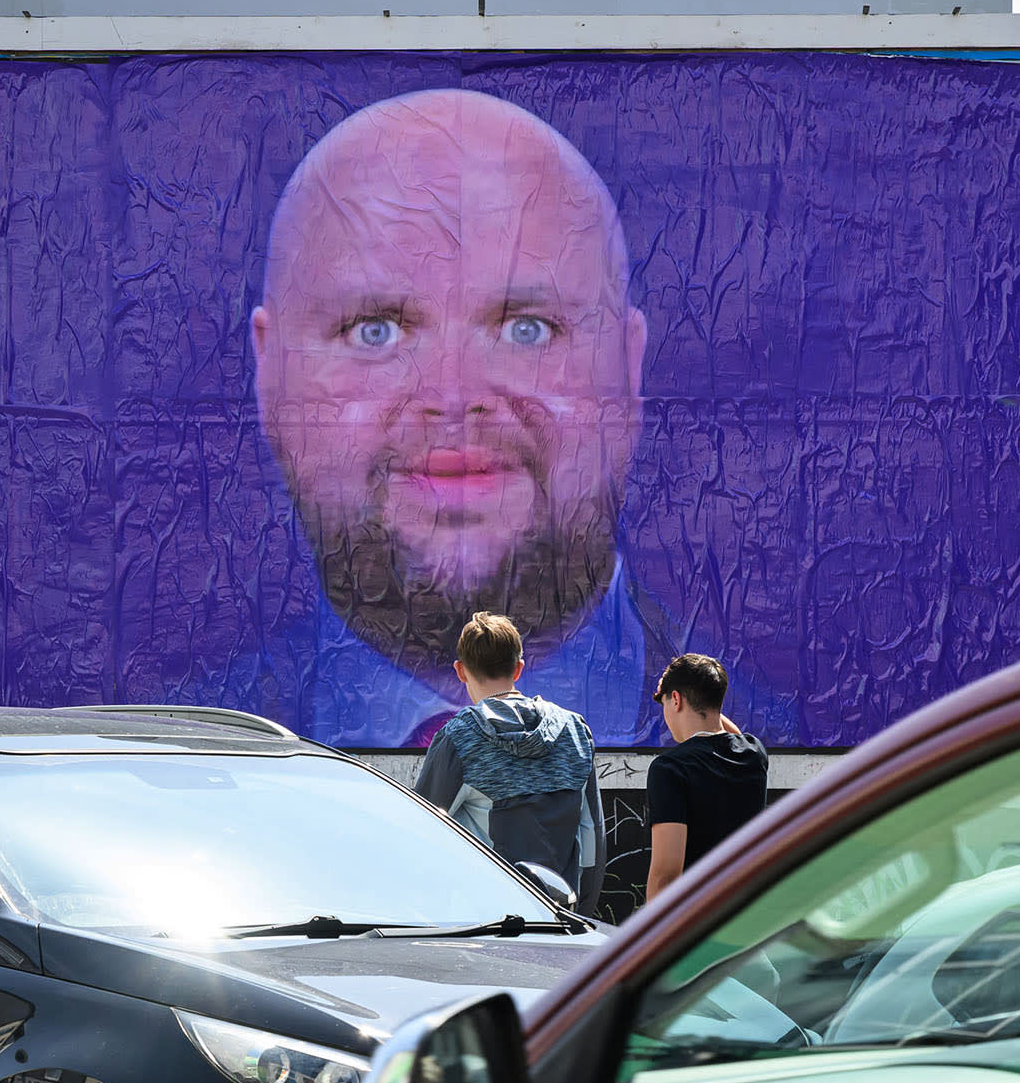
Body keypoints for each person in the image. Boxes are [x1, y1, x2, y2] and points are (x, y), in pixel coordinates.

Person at [249, 86, 790, 748]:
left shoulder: (813, 778)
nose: (453, 396)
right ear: (269, 375)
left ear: (629, 370)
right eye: (376, 331)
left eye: (527, 329)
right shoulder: (171, 777)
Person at [413, 613, 605, 915]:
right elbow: (591, 842)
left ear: (461, 671)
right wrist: (580, 915)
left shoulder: (460, 738)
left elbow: (420, 833)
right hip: (562, 918)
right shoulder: (574, 731)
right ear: (518, 668)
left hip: (484, 925)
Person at [644, 653, 769, 900]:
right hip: (749, 911)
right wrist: (702, 694)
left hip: (699, 917)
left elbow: (666, 875)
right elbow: (731, 736)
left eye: (666, 702)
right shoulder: (754, 754)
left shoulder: (669, 768)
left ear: (676, 700)